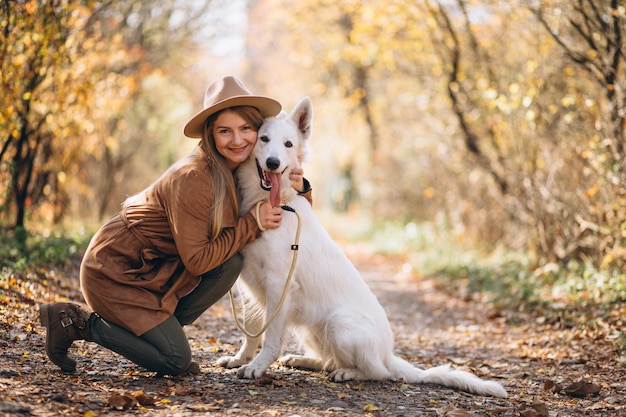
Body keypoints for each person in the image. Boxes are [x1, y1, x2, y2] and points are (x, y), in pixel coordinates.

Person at [39, 76, 312, 375]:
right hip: (116, 271)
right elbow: (197, 262)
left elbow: (295, 219)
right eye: (225, 131)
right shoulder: (195, 177)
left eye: (245, 128)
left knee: (230, 263)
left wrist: (302, 185)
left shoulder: (241, 169)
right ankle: (77, 322)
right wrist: (251, 223)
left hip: (156, 272)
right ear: (210, 134)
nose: (237, 140)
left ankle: (155, 332)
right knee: (175, 361)